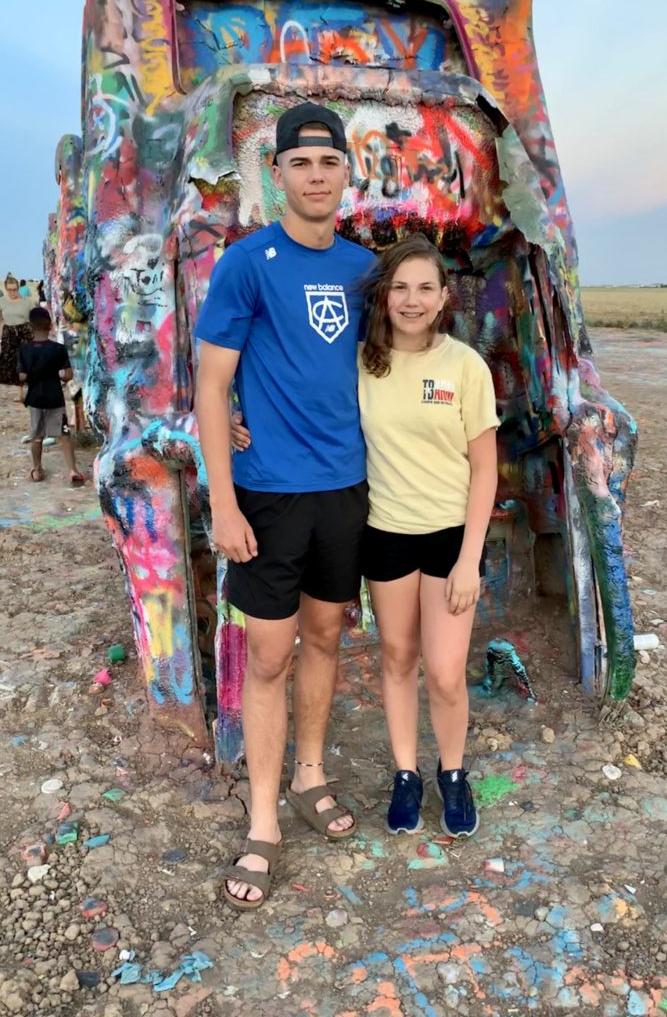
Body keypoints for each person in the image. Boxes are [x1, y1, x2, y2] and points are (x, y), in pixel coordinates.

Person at [194, 102, 374, 910]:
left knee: (328, 637)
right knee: (268, 655)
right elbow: (210, 385)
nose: (315, 176)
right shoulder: (246, 263)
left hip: (344, 487)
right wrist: (222, 504)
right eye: (299, 164)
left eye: (328, 163)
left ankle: (310, 776)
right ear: (277, 173)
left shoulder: (364, 269)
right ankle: (262, 822)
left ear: (346, 172)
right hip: (265, 493)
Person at [358, 234, 499, 838]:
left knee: (443, 671)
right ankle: (407, 774)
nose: (411, 301)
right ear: (384, 294)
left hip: (449, 539)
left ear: (444, 297)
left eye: (424, 288)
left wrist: (470, 559)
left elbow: (485, 469)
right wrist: (238, 421)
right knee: (396, 658)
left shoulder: (465, 366)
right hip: (386, 531)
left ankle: (453, 773)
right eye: (400, 287)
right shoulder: (363, 361)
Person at [17, 307, 86, 485]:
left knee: (37, 435)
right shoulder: (58, 349)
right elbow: (68, 375)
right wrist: (59, 375)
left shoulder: (24, 349)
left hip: (35, 398)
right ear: (50, 326)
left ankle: (37, 469)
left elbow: (22, 377)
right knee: (63, 434)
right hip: (54, 396)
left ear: (30, 326)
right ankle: (72, 470)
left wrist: (31, 375)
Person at [0, 275, 33, 385]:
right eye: (9, 290)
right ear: (6, 289)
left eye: (14, 289)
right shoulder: (1, 301)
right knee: (9, 362)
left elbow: (34, 318)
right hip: (8, 334)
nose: (12, 292)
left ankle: (22, 390)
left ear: (18, 288)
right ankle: (15, 386)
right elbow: (0, 321)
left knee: (24, 361)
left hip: (24, 333)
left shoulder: (27, 302)